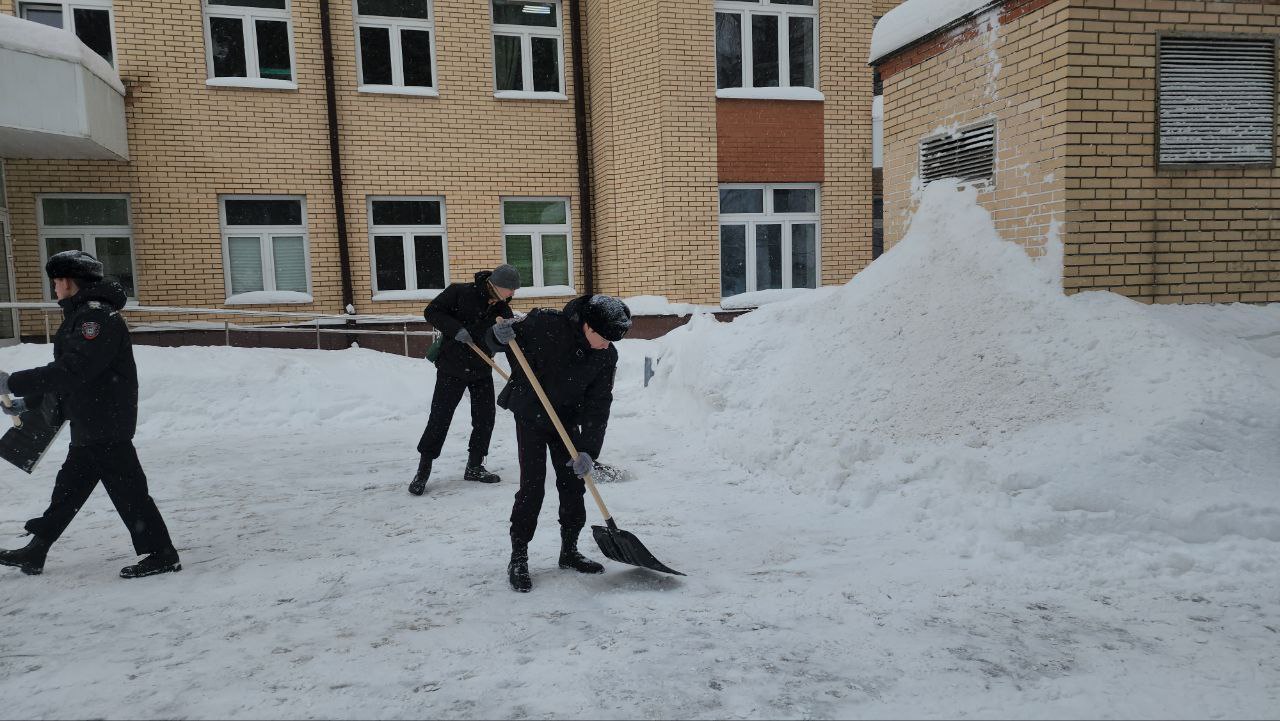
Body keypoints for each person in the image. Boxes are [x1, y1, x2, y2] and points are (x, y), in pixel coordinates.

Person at [0, 250, 180, 579]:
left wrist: (14, 381)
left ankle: (162, 554)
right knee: (70, 487)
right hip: (91, 418)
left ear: (69, 282)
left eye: (56, 282)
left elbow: (74, 369)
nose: (54, 288)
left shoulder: (96, 319)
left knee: (128, 491)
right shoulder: (82, 315)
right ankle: (37, 549)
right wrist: (31, 400)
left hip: (105, 419)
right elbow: (69, 370)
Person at [486, 293, 632, 592]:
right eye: (604, 337)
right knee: (532, 485)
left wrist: (588, 450)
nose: (607, 345)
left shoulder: (606, 354)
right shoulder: (545, 324)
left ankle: (569, 551)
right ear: (588, 326)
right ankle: (519, 556)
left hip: (565, 419)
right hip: (531, 413)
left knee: (573, 482)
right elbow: (501, 336)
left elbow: (598, 403)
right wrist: (496, 336)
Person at [409, 264, 520, 495]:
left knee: (485, 417)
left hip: (481, 368)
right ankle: (423, 469)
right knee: (440, 416)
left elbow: (502, 342)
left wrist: (502, 338)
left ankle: (475, 466)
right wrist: (455, 328)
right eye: (511, 289)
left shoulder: (502, 309)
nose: (513, 294)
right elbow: (432, 311)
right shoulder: (460, 292)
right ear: (497, 285)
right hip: (452, 366)